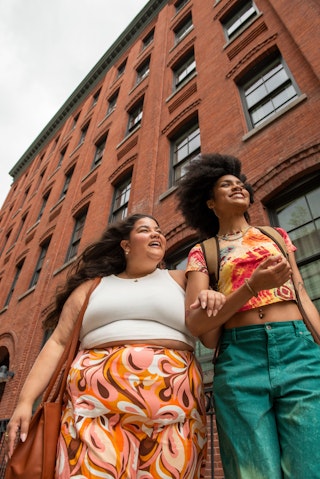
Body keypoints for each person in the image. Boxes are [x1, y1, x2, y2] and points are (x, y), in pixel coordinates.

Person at [5, 213, 225, 479]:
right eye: (145, 230)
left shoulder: (181, 279)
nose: (157, 234)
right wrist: (25, 402)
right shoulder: (92, 287)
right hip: (93, 414)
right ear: (126, 245)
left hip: (175, 415)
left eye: (159, 230)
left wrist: (211, 298)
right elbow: (58, 342)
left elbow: (208, 335)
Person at [176, 153, 320, 479]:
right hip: (240, 359)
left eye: (240, 184)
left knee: (311, 465)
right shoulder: (204, 251)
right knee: (253, 472)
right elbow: (197, 324)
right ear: (210, 202)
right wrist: (252, 287)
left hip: (299, 348)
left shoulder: (276, 236)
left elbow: (301, 293)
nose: (237, 187)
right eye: (226, 185)